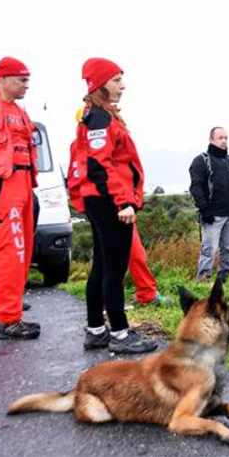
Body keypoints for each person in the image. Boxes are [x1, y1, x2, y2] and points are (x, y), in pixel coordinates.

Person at [71, 57, 156, 353]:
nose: (123, 85)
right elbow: (98, 166)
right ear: (100, 85)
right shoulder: (99, 119)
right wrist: (123, 202)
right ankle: (120, 335)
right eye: (117, 80)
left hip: (101, 201)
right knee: (114, 270)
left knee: (102, 266)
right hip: (110, 202)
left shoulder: (100, 116)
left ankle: (96, 330)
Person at [70, 107, 171, 308]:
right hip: (114, 204)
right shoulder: (88, 141)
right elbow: (80, 176)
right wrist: (119, 203)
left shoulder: (94, 139)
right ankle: (140, 297)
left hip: (115, 203)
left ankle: (112, 308)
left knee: (113, 258)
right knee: (124, 256)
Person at [0, 57, 41, 339]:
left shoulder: (20, 111)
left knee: (22, 253)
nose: (26, 85)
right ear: (1, 79)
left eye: (27, 80)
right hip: (0, 188)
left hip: (23, 185)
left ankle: (4, 314)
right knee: (8, 253)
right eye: (21, 79)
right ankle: (6, 320)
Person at [189, 127, 229, 282]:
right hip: (212, 216)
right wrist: (205, 209)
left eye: (226, 138)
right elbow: (195, 187)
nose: (224, 141)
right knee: (209, 250)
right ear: (211, 140)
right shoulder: (202, 160)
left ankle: (223, 282)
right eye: (220, 138)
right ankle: (203, 283)